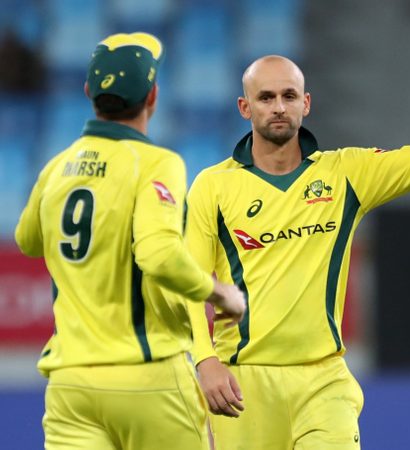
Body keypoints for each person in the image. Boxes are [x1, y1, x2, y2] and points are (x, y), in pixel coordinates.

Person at [184, 17, 410, 449]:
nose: (278, 107)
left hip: (323, 381)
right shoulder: (213, 186)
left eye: (289, 96)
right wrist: (204, 360)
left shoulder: (345, 172)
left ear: (306, 103)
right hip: (244, 381)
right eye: (266, 97)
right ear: (245, 107)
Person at [14, 32, 246, 450]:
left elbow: (28, 240)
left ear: (88, 92)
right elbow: (158, 254)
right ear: (153, 96)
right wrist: (219, 294)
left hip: (71, 384)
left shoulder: (56, 167)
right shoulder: (156, 163)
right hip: (148, 374)